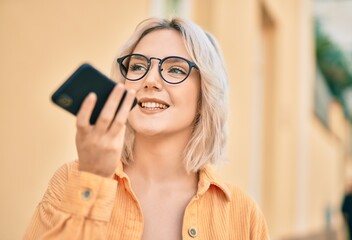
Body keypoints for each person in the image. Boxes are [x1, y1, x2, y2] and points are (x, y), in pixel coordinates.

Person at [24, 17, 269, 239]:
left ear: (205, 95)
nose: (150, 81)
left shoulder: (242, 213)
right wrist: (92, 182)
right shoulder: (71, 180)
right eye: (138, 66)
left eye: (175, 69)